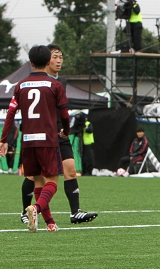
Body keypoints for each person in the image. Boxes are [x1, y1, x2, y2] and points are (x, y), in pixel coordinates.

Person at [20, 44, 98, 225]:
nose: (59, 60)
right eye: (55, 56)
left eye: (61, 56)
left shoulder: (60, 82)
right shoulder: (36, 82)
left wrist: (66, 128)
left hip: (60, 134)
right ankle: (26, 212)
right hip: (41, 135)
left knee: (70, 170)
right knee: (33, 176)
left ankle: (75, 212)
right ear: (46, 60)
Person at [1, 45, 70, 233]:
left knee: (38, 181)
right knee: (52, 182)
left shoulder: (20, 85)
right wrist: (67, 129)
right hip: (47, 139)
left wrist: (4, 139)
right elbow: (64, 113)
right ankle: (36, 208)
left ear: (30, 63)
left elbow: (11, 113)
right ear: (48, 62)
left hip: (28, 141)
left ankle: (50, 223)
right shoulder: (55, 85)